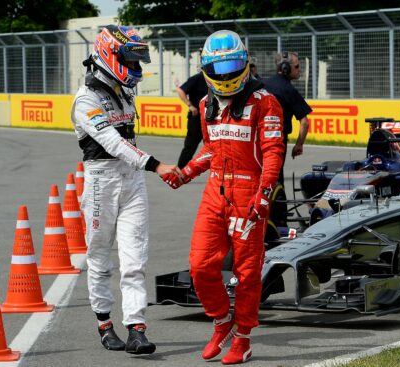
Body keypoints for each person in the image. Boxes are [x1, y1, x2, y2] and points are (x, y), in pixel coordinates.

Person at [162, 30, 284, 364]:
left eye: (231, 68)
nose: (225, 76)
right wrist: (186, 172)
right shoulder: (205, 104)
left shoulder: (265, 102)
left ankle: (242, 338)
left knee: (246, 272)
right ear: (206, 69)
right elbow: (211, 149)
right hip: (215, 191)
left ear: (244, 65)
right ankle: (221, 321)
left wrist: (264, 195)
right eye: (218, 69)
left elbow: (273, 152)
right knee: (200, 266)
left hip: (249, 194)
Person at [71, 24, 178, 354]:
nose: (136, 68)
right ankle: (105, 325)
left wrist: (144, 166)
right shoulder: (85, 99)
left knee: (135, 258)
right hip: (102, 180)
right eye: (130, 60)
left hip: (132, 181)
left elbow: (128, 140)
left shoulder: (126, 92)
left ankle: (137, 328)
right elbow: (112, 142)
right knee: (100, 257)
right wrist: (156, 164)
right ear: (109, 55)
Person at [262, 51, 312, 185]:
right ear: (285, 68)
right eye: (296, 66)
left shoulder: (261, 84)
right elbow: (305, 122)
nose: (299, 69)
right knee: (276, 178)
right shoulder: (289, 90)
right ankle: (277, 204)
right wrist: (299, 144)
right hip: (277, 140)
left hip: (257, 138)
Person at [176, 71, 208, 168]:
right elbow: (180, 90)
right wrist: (190, 106)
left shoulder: (215, 79)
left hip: (211, 119)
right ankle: (180, 170)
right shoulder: (197, 78)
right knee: (190, 146)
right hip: (197, 118)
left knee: (217, 147)